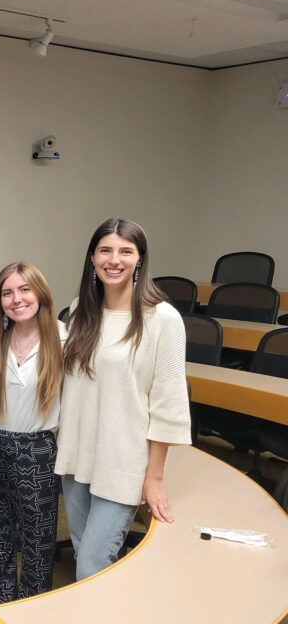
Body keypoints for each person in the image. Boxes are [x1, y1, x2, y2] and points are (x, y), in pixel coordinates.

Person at [55, 218, 191, 580]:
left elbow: (169, 403)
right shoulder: (81, 310)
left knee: (91, 565)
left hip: (123, 461)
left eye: (125, 251)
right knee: (86, 558)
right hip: (77, 456)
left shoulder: (163, 319)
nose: (114, 260)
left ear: (140, 260)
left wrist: (155, 477)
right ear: (92, 258)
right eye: (105, 250)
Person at [0, 262, 66, 606]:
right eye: (7, 292)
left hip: (39, 449)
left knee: (37, 545)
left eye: (25, 289)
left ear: (41, 293)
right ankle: (1, 622)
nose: (17, 299)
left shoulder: (64, 338)